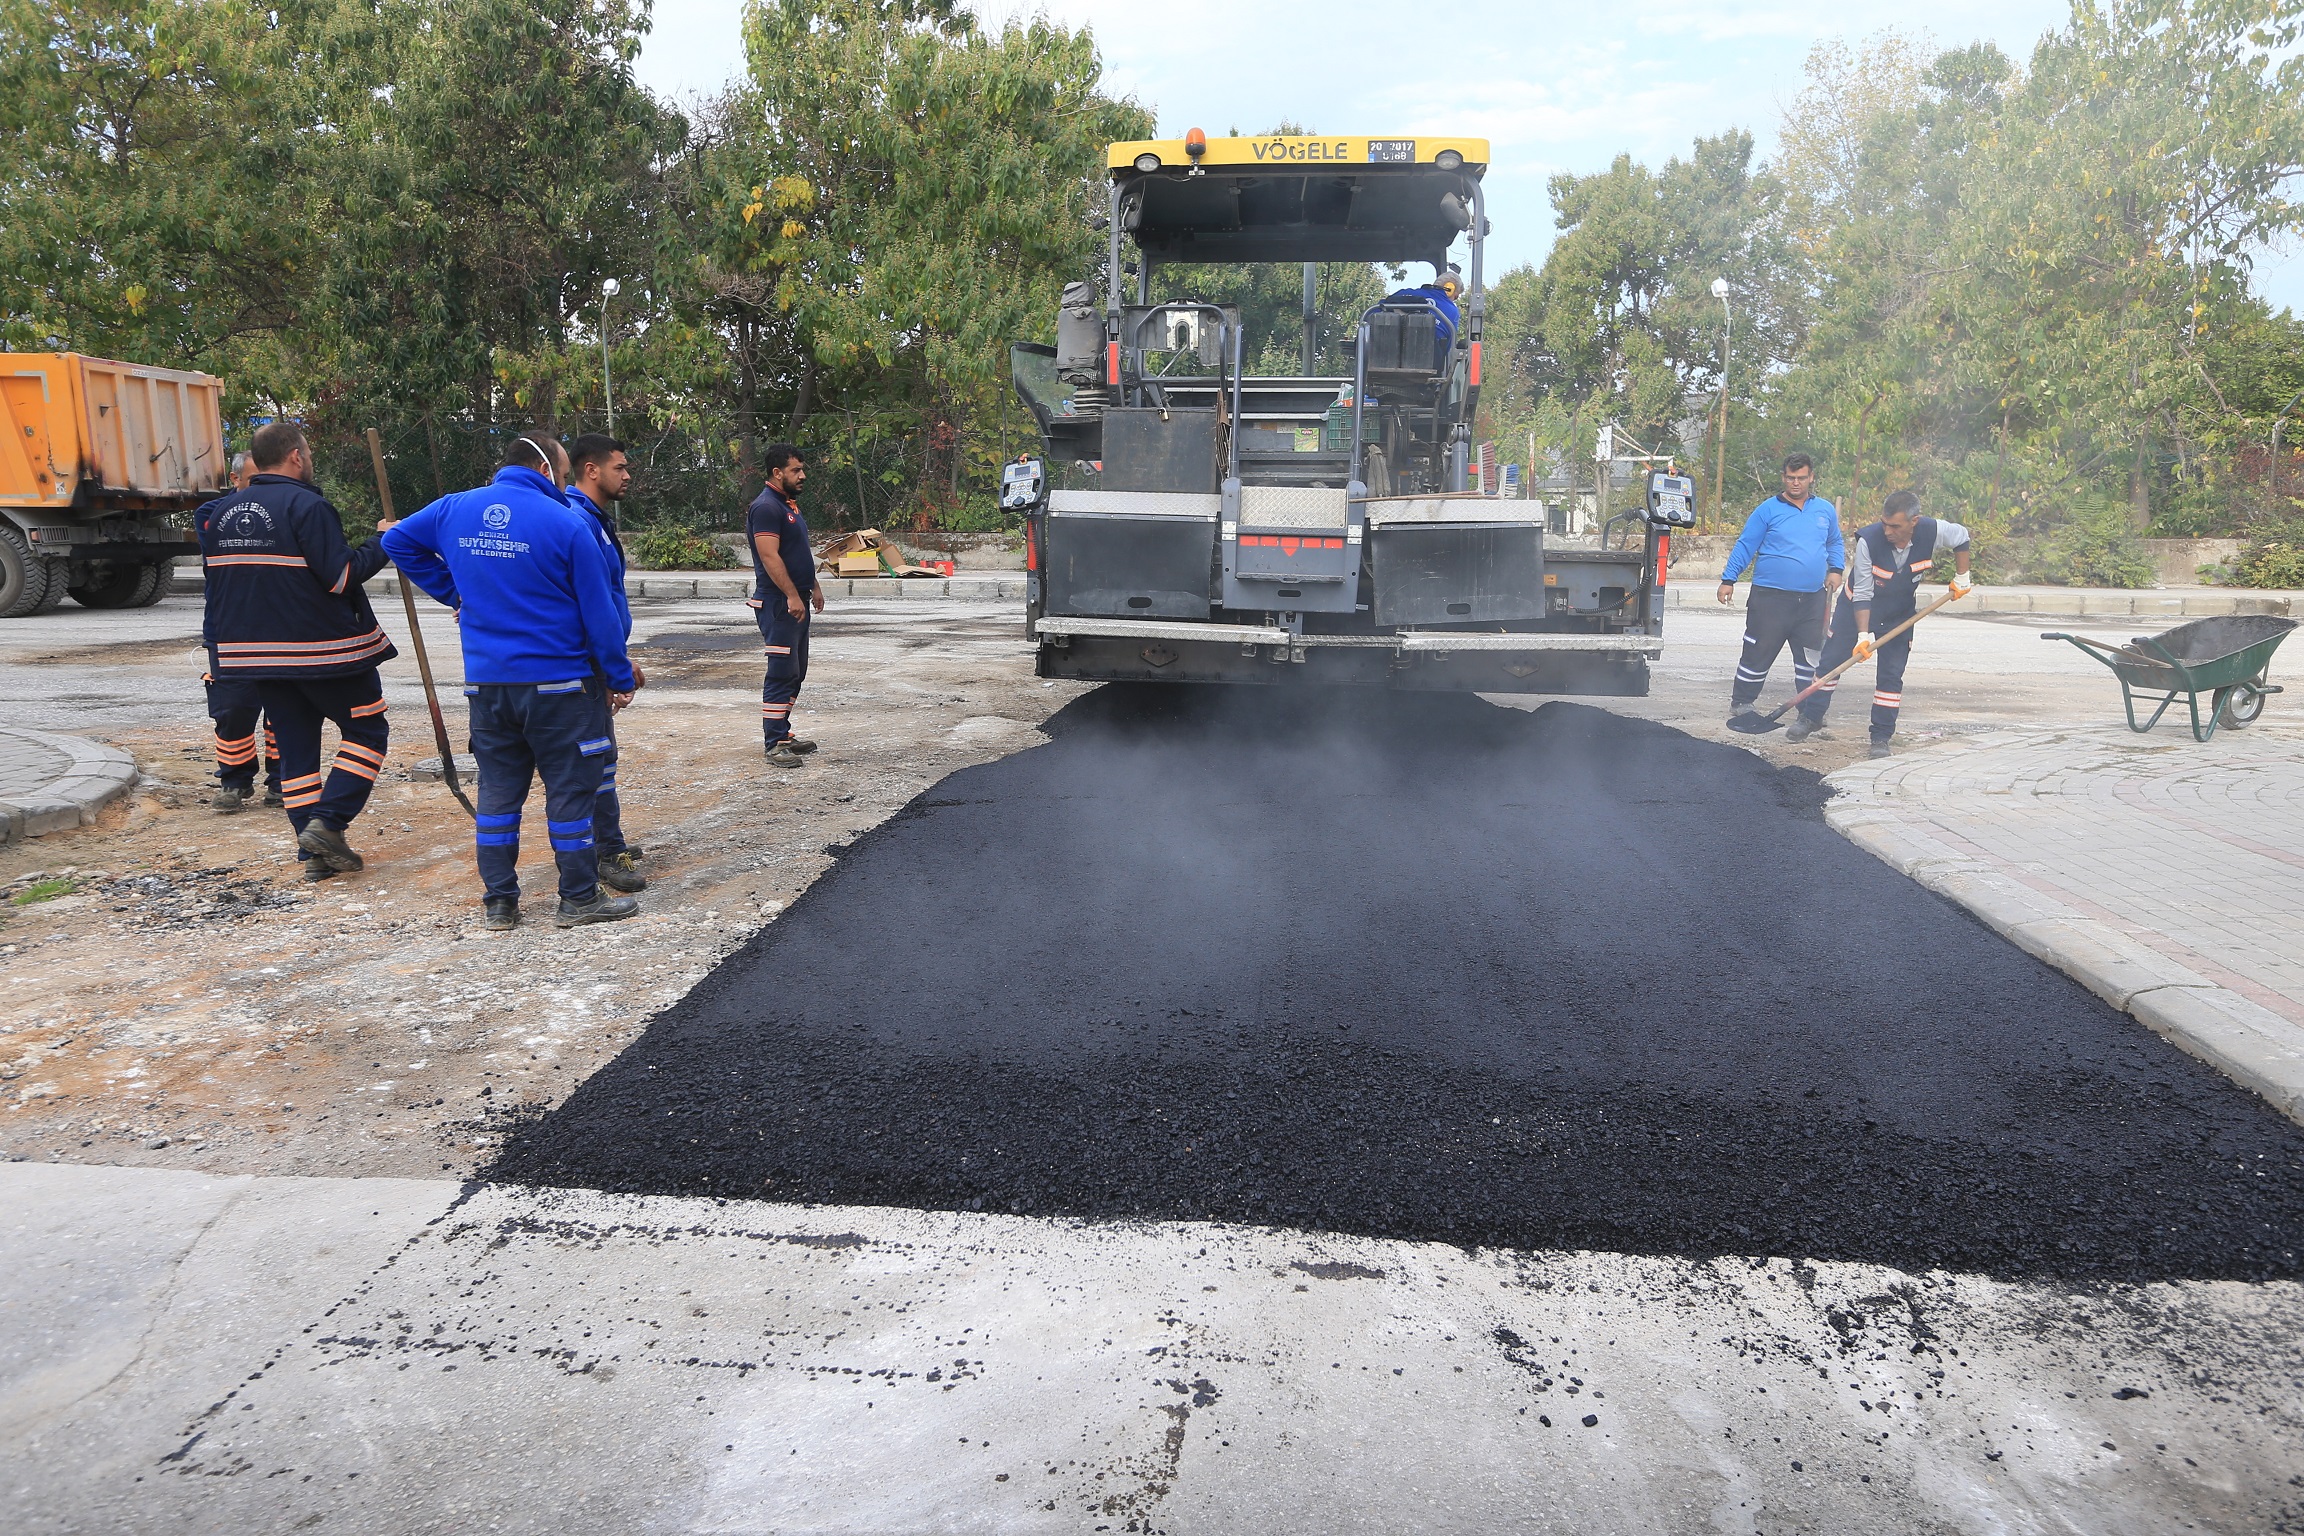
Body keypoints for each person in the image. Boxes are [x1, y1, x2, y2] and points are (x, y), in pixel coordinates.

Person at [382, 434, 640, 931]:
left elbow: (396, 541)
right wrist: (618, 675)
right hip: (561, 686)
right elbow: (600, 616)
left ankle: (500, 903)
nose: (564, 485)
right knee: (569, 791)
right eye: (563, 475)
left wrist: (457, 592)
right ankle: (579, 898)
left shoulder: (454, 508)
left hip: (487, 686)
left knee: (498, 792)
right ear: (545, 469)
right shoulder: (566, 523)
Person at [199, 424, 396, 879]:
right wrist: (383, 540)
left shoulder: (221, 514)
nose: (309, 460)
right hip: (324, 653)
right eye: (307, 453)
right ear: (293, 457)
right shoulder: (307, 504)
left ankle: (313, 857)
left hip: (255, 657)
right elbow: (341, 577)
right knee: (367, 732)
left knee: (296, 753)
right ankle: (328, 824)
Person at [1792, 489, 1975, 755]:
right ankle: (1811, 717)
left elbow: (1962, 537)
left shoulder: (1933, 531)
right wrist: (1863, 635)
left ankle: (1880, 737)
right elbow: (1864, 591)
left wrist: (1962, 576)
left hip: (1899, 614)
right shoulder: (1870, 540)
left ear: (1914, 521)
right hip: (1856, 608)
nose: (1888, 531)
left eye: (1895, 526)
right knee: (1830, 662)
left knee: (1891, 676)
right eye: (1884, 524)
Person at [563, 433, 646, 894]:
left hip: (599, 660)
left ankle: (608, 841)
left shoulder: (594, 521)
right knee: (593, 761)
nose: (627, 475)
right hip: (583, 667)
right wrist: (611, 666)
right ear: (591, 470)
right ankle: (601, 854)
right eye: (620, 467)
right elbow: (588, 608)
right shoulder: (577, 521)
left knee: (602, 760)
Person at [1716, 453, 1844, 724]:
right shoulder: (1767, 510)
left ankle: (1809, 711)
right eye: (1790, 477)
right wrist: (1729, 580)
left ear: (1811, 478)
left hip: (1812, 599)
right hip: (1770, 598)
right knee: (1758, 650)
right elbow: (1745, 544)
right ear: (1783, 477)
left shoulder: (1824, 510)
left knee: (1811, 657)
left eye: (1801, 478)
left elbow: (1834, 542)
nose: (1795, 483)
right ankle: (1742, 702)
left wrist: (1836, 569)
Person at [198, 451, 281, 812]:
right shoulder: (210, 514)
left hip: (281, 627)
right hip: (229, 629)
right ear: (234, 480)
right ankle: (234, 781)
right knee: (232, 709)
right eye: (253, 478)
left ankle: (282, 780)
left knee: (284, 709)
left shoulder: (285, 508)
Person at [747, 444, 823, 769]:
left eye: (802, 469)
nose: (802, 475)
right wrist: (792, 595)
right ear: (777, 473)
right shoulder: (766, 507)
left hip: (796, 599)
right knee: (781, 672)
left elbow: (799, 553)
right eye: (796, 470)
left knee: (796, 671)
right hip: (778, 602)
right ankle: (773, 743)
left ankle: (783, 734)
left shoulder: (788, 505)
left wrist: (813, 586)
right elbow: (769, 556)